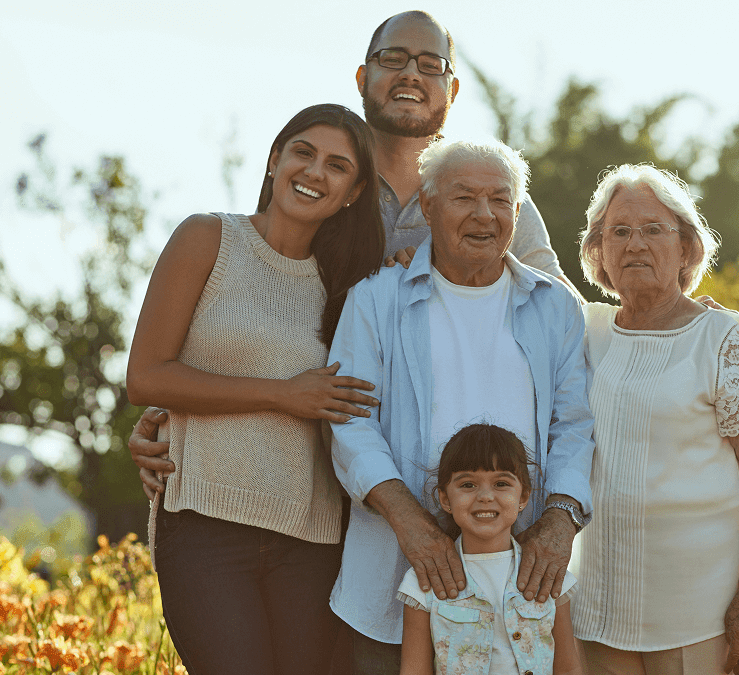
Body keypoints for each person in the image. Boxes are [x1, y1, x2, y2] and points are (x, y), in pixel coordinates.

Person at [129, 10, 580, 502]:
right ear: (364, 77)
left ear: (452, 90)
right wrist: (169, 411)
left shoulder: (485, 195)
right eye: (394, 59)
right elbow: (253, 306)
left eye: (431, 65)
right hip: (303, 465)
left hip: (448, 472)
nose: (411, 74)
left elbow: (556, 319)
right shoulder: (322, 181)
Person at [125, 103, 384, 674]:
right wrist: (281, 393)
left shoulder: (354, 286)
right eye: (303, 153)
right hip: (205, 527)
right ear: (274, 161)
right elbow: (145, 376)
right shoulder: (207, 239)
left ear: (353, 192)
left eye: (337, 166)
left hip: (312, 539)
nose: (315, 172)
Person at [327, 138, 594, 673]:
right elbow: (350, 423)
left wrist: (561, 520)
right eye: (463, 198)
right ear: (426, 206)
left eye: (499, 200)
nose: (483, 214)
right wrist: (411, 523)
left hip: (526, 590)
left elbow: (575, 426)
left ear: (517, 214)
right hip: (393, 579)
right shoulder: (376, 299)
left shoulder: (556, 306)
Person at [568, 164, 739, 675]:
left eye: (653, 230)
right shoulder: (585, 330)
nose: (635, 244)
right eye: (618, 232)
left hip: (699, 615)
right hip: (596, 610)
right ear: (598, 251)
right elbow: (524, 277)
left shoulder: (722, 339)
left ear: (686, 248)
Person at [397, 423, 583, 675]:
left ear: (524, 497)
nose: (485, 496)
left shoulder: (548, 574)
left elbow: (569, 667)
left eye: (501, 483)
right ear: (444, 499)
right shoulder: (423, 583)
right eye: (468, 485)